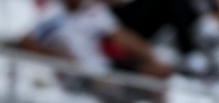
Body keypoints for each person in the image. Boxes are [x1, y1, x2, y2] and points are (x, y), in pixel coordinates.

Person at [20, 0, 170, 80]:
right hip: (73, 74)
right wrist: (58, 58)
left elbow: (122, 36)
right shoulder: (51, 12)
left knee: (157, 72)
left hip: (99, 69)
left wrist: (153, 57)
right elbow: (25, 42)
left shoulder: (92, 8)